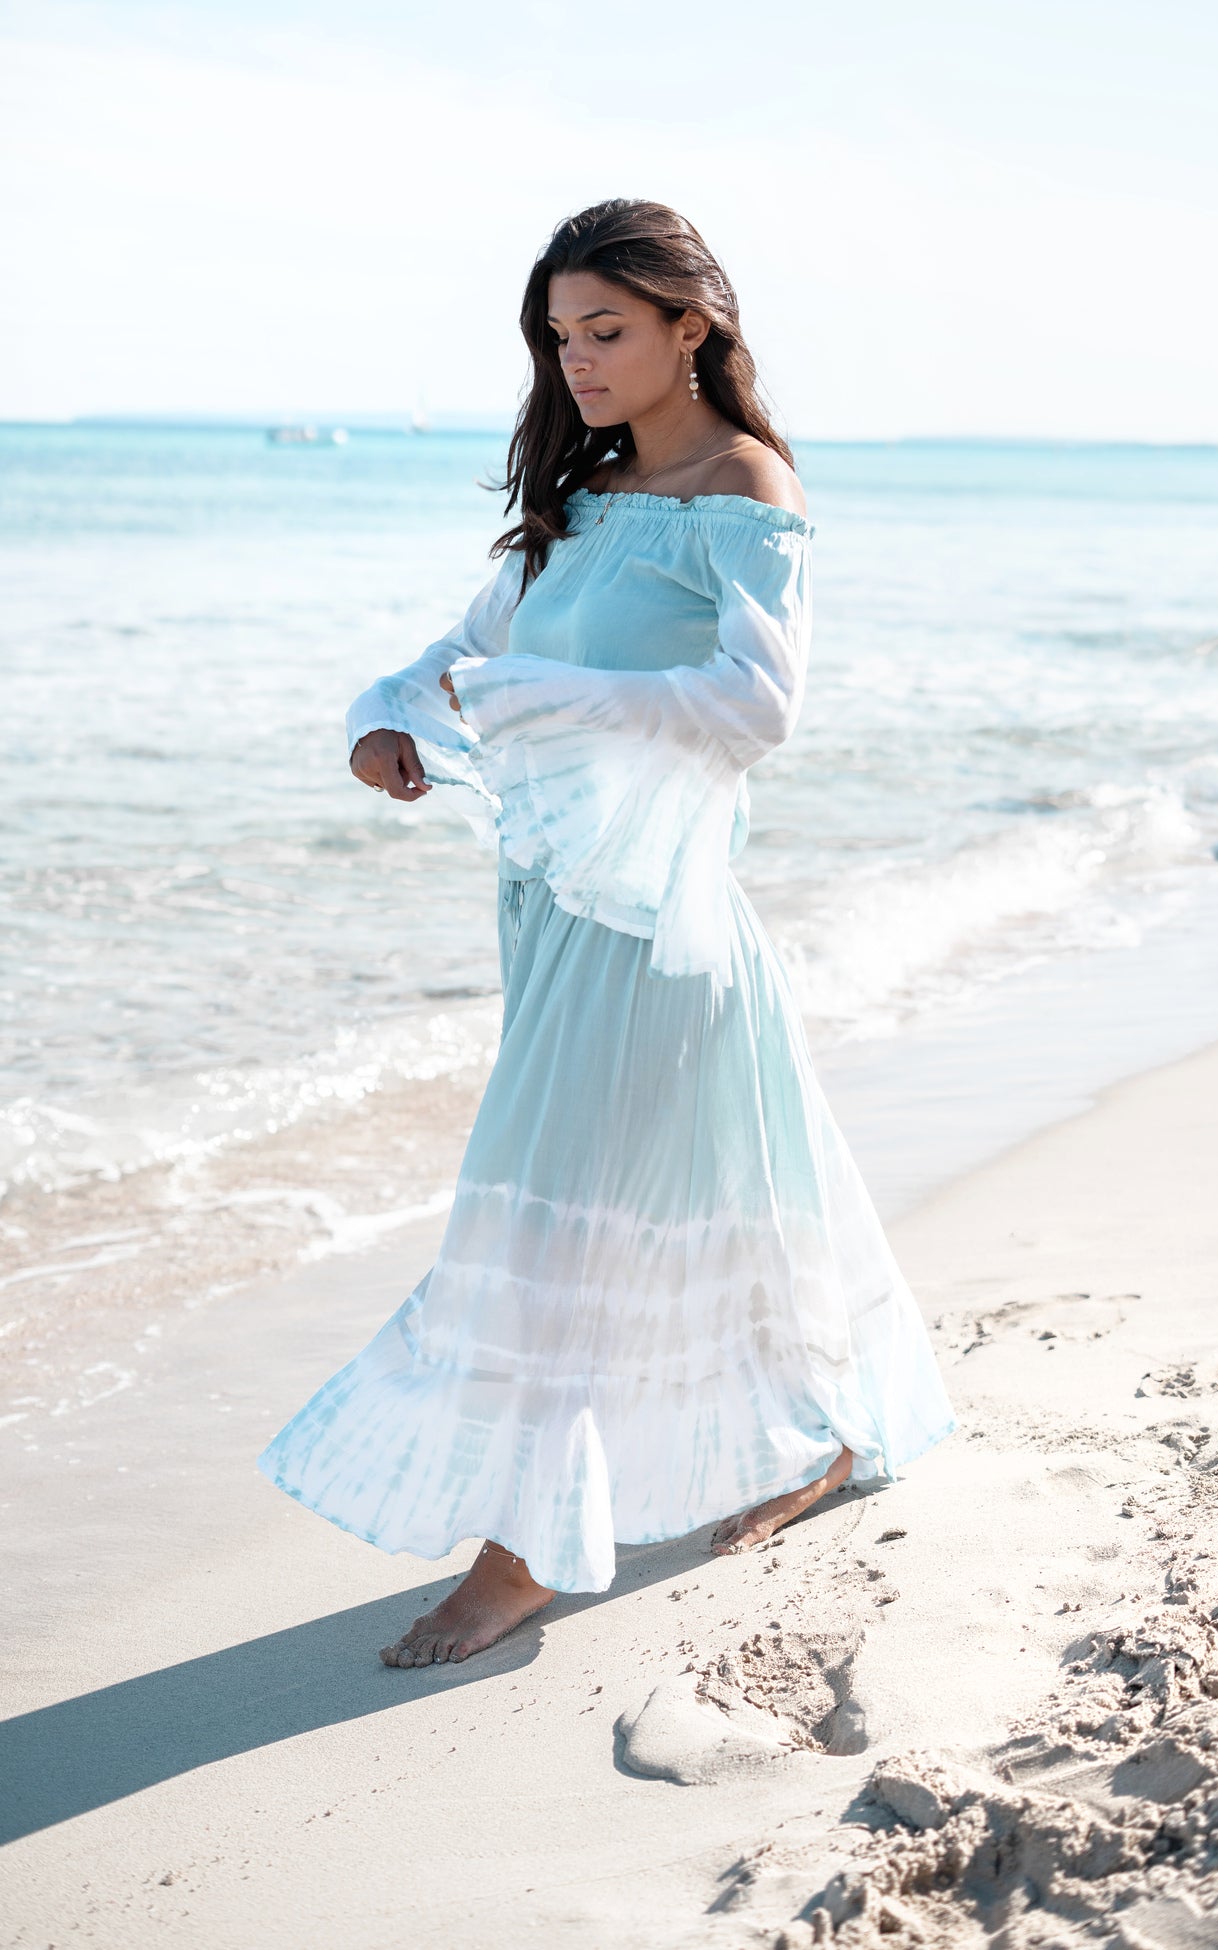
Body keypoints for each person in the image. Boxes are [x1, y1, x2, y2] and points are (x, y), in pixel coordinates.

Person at [257, 199, 955, 1669]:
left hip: (664, 923)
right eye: (560, 336)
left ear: (690, 327)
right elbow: (458, 655)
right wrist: (387, 720)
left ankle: (522, 1550)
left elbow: (757, 706)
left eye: (606, 330)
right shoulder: (581, 494)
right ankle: (824, 1433)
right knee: (740, 1189)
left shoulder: (744, 485)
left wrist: (535, 700)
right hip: (555, 913)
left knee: (547, 1215)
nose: (575, 361)